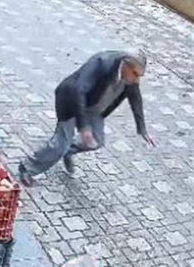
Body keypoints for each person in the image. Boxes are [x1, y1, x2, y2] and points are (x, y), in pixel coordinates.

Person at [18, 50, 155, 186]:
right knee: (60, 144)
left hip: (94, 107)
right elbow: (78, 90)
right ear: (125, 64)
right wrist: (84, 127)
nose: (136, 79)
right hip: (72, 101)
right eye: (135, 74)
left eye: (139, 76)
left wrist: (142, 129)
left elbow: (135, 98)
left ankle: (66, 151)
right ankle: (27, 167)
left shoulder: (130, 78)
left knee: (96, 141)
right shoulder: (102, 62)